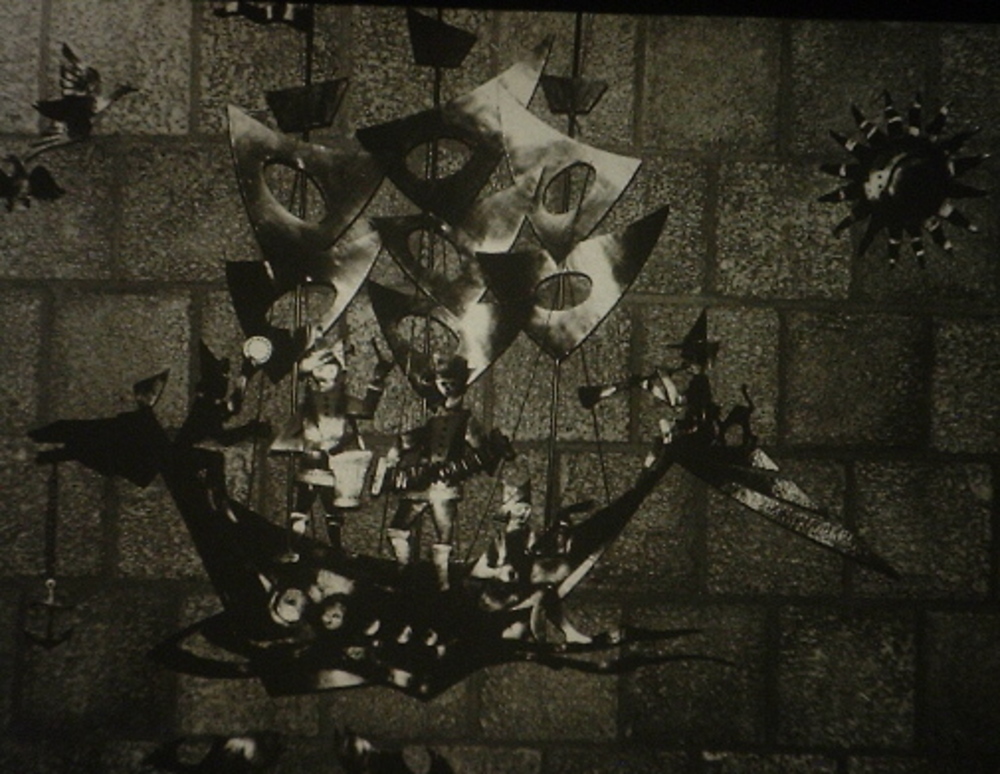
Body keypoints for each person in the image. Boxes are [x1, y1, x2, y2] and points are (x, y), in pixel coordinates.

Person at [374, 352, 512, 591]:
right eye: (442, 383)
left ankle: (443, 581)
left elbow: (483, 453)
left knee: (444, 535)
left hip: (446, 485)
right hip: (421, 482)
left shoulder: (467, 422)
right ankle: (404, 570)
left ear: (461, 385)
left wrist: (494, 452)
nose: (446, 388)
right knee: (397, 528)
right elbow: (406, 440)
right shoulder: (432, 422)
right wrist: (394, 457)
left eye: (451, 383)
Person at [270, 331, 393, 552]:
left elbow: (366, 410)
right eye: (321, 367)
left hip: (335, 465)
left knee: (332, 509)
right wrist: (298, 445)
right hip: (311, 461)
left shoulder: (345, 402)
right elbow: (287, 435)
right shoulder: (308, 405)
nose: (325, 371)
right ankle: (293, 547)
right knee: (302, 507)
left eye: (330, 367)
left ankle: (335, 549)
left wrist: (377, 380)